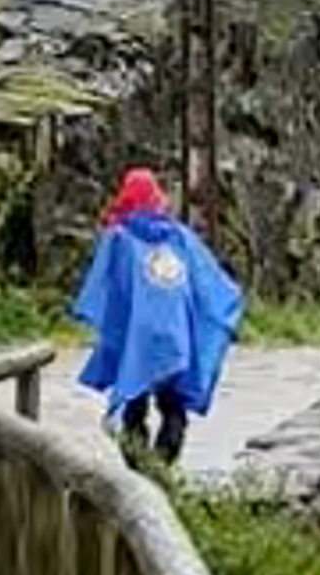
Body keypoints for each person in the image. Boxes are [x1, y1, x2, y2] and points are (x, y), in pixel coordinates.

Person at [69, 164, 243, 468]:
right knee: (173, 405)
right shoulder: (179, 237)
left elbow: (108, 287)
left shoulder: (119, 238)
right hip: (176, 333)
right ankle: (163, 464)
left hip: (138, 334)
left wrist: (106, 324)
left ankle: (138, 466)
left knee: (134, 400)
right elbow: (204, 281)